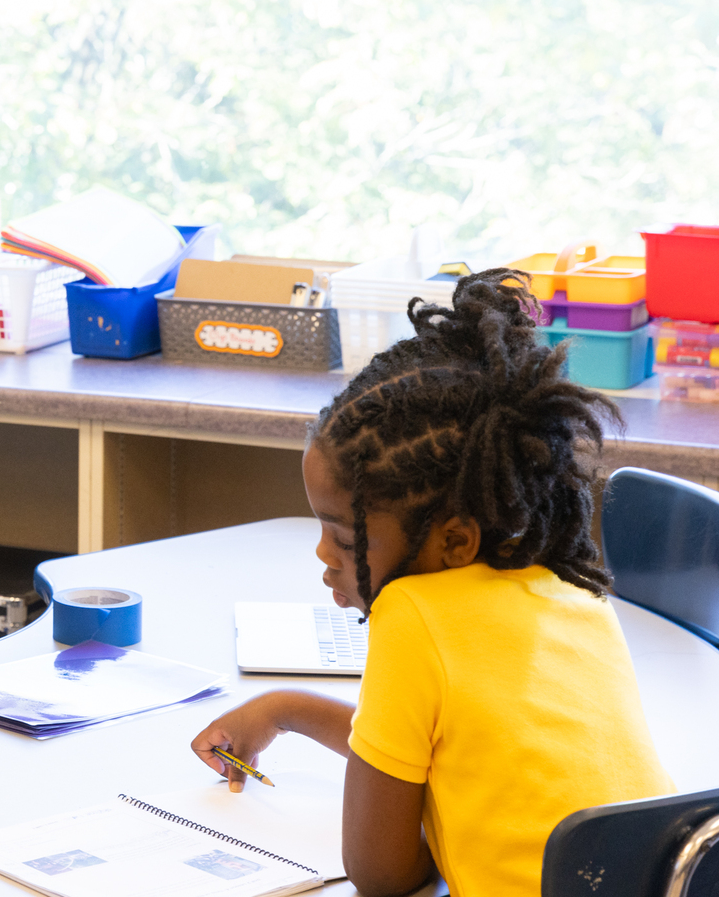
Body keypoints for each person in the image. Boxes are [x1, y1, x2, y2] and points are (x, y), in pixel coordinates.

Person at [187, 273, 674, 897]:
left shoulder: (413, 615)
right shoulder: (573, 594)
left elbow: (384, 874)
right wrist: (288, 710)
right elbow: (448, 749)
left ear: (454, 542)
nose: (322, 553)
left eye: (343, 536)